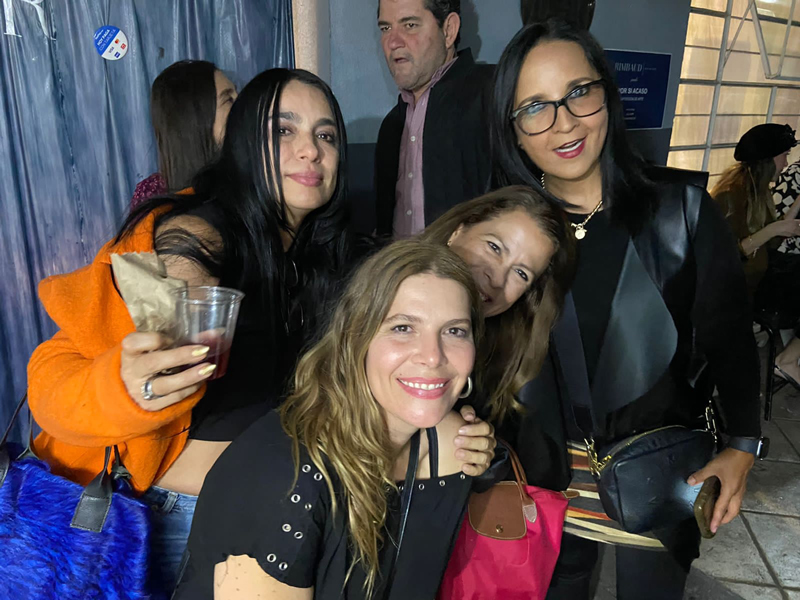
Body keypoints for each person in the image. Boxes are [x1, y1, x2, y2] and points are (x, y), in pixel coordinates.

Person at [26, 68, 494, 594]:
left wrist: (456, 424)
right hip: (160, 513)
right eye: (283, 130)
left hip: (273, 508)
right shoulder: (194, 230)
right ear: (244, 141)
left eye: (325, 135)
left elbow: (407, 344)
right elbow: (52, 379)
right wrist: (128, 380)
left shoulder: (333, 258)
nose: (310, 150)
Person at [490, 19, 763, 600]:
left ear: (607, 95)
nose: (564, 122)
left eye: (578, 93)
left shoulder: (682, 213)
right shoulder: (504, 232)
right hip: (541, 479)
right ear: (514, 131)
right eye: (535, 107)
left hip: (656, 469)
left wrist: (743, 445)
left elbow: (732, 342)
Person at [175, 240, 484, 599]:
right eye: (402, 328)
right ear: (355, 338)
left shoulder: (450, 447)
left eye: (455, 331)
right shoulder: (282, 477)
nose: (433, 356)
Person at [419, 185, 576, 422]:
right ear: (458, 231)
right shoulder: (378, 297)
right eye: (494, 248)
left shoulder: (501, 374)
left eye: (521, 273)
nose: (498, 279)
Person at [375, 0, 494, 238]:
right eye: (386, 28)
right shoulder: (391, 126)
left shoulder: (494, 96)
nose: (393, 42)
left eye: (409, 25)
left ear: (449, 30)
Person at [712, 124, 800, 388]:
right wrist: (776, 229)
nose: (786, 163)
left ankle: (783, 354)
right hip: (742, 287)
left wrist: (792, 213)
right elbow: (727, 256)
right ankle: (787, 360)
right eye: (784, 155)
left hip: (760, 276)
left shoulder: (757, 190)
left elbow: (771, 243)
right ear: (768, 159)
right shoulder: (730, 195)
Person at [131, 60, 237, 208]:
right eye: (229, 99)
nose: (244, 104)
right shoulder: (153, 198)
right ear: (195, 120)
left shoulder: (254, 180)